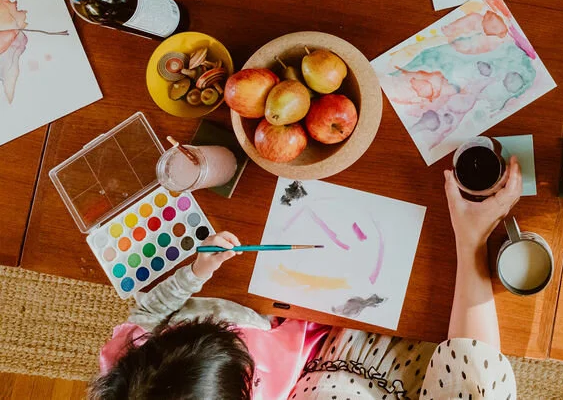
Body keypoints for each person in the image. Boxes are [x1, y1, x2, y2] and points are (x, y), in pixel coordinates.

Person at [90, 160, 524, 400]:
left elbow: (147, 313)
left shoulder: (127, 370)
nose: (229, 330)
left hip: (300, 313)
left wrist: (196, 274)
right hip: (350, 321)